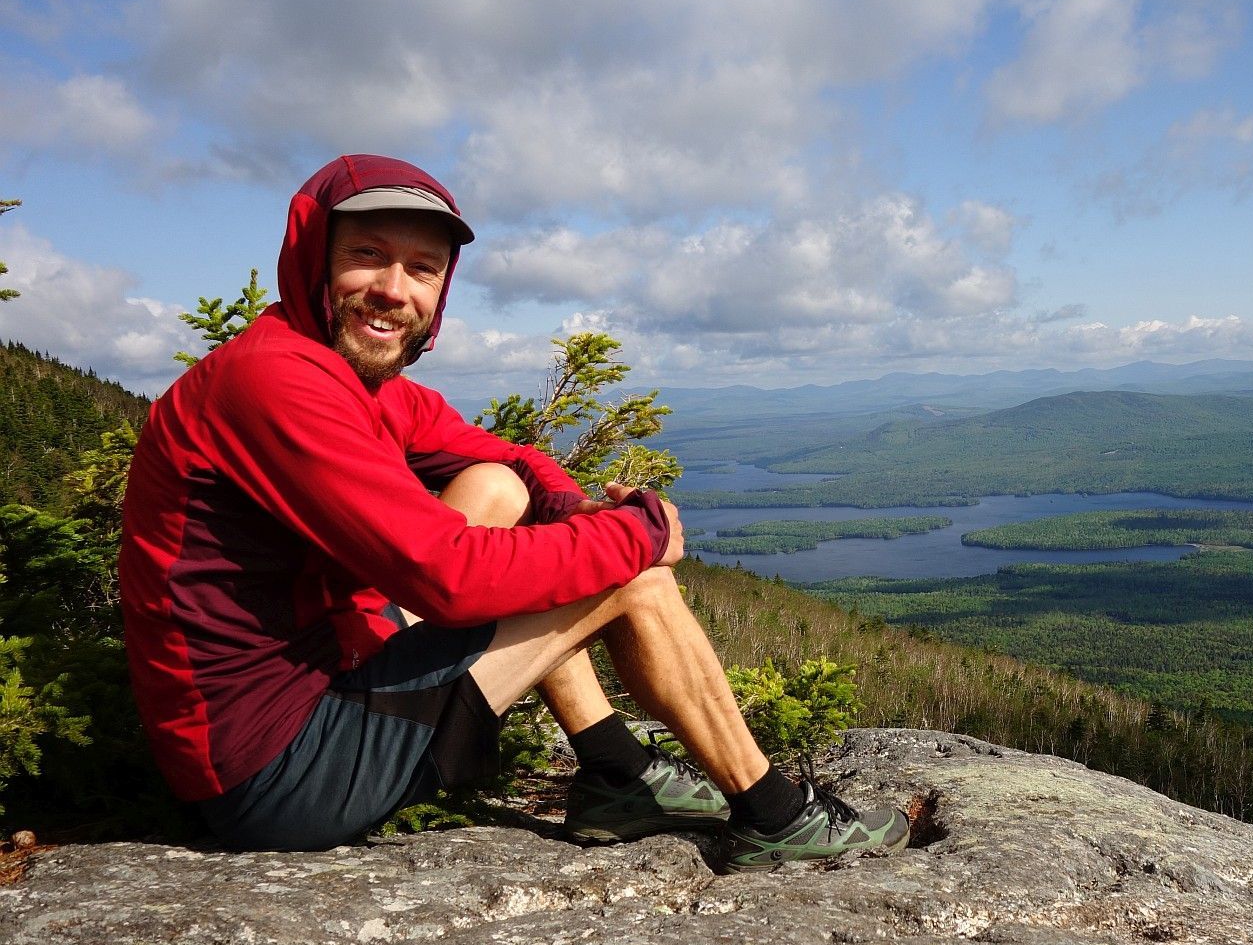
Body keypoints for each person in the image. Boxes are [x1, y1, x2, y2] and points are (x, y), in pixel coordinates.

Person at [119, 154, 908, 868]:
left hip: (308, 694)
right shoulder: (275, 382)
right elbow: (449, 579)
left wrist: (567, 508)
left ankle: (615, 776)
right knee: (634, 579)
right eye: (367, 256)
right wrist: (634, 533)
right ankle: (773, 816)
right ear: (312, 257)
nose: (395, 288)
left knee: (500, 487)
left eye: (422, 268)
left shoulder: (353, 382)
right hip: (276, 768)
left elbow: (501, 457)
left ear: (443, 289)